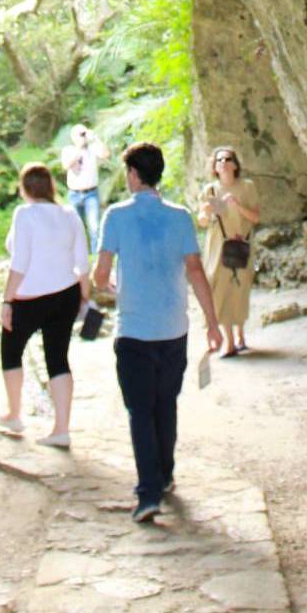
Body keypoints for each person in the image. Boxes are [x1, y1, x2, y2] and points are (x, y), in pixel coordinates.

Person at [94, 141, 221, 522]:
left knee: (139, 411)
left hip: (133, 329)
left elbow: (100, 276)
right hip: (173, 328)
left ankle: (148, 492)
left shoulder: (115, 216)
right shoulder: (180, 217)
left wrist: (110, 286)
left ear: (134, 174)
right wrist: (212, 323)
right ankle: (164, 474)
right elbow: (196, 271)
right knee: (165, 404)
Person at [0, 163, 91, 447]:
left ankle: (14, 414)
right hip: (66, 294)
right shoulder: (69, 213)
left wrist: (6, 299)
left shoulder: (24, 214)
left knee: (10, 351)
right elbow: (83, 261)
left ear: (24, 188)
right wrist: (84, 297)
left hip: (29, 298)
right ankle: (61, 429)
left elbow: (20, 262)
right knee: (58, 358)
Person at [196, 146, 261, 356]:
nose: (222, 162)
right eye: (218, 160)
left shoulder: (247, 187)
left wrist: (236, 205)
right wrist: (205, 212)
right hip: (217, 246)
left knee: (239, 289)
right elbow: (203, 222)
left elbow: (255, 217)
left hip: (242, 244)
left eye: (227, 159)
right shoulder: (210, 190)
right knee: (218, 289)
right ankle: (229, 341)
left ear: (235, 164)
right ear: (214, 167)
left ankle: (240, 335)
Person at [60, 124, 110, 247]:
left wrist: (95, 138)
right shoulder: (68, 150)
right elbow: (66, 165)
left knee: (95, 227)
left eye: (83, 134)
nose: (82, 137)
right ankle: (78, 256)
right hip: (74, 194)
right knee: (75, 228)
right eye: (79, 134)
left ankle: (95, 256)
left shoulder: (93, 149)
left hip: (91, 193)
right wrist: (79, 148)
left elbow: (105, 154)